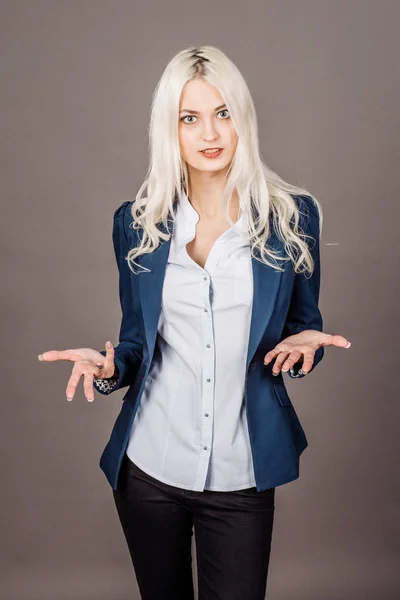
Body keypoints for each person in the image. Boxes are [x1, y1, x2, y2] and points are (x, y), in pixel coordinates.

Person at [38, 45, 351, 600]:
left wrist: (307, 349)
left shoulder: (292, 217)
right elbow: (135, 342)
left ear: (243, 119)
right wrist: (108, 369)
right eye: (190, 118)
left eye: (223, 112)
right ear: (170, 129)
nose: (210, 132)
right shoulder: (136, 225)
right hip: (149, 470)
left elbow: (307, 331)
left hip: (241, 472)